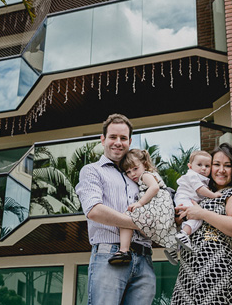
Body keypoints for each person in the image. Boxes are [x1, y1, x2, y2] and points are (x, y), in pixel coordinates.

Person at [75, 114, 156, 305]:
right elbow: (94, 210)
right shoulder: (92, 170)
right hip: (109, 255)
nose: (118, 142)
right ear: (103, 139)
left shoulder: (139, 176)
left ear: (130, 142)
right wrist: (139, 224)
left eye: (123, 138)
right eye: (113, 137)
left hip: (145, 258)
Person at [172, 143, 232, 305]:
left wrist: (202, 213)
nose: (221, 170)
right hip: (189, 270)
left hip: (217, 270)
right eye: (216, 164)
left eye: (228, 165)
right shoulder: (201, 194)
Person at [118, 149, 178, 264]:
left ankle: (123, 249)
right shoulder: (144, 177)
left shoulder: (145, 175)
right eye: (128, 172)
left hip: (158, 207)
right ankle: (172, 248)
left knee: (125, 217)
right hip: (163, 210)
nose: (132, 174)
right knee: (165, 232)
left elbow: (154, 187)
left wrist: (139, 203)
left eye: (135, 169)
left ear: (145, 165)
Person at [171, 150, 222, 252]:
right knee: (197, 218)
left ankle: (173, 249)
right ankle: (184, 234)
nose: (203, 168)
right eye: (199, 165)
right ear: (190, 166)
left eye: (207, 166)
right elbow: (200, 189)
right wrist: (213, 195)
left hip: (186, 200)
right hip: (184, 199)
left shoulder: (201, 178)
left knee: (185, 222)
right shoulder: (192, 175)